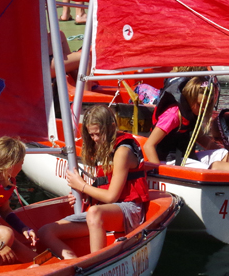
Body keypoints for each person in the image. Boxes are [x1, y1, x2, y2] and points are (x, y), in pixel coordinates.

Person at [39, 105, 149, 259]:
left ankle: (96, 262)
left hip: (129, 210)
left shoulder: (123, 152)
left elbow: (111, 196)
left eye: (98, 134)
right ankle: (73, 262)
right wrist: (85, 194)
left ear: (111, 127)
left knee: (94, 212)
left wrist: (82, 185)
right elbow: (105, 185)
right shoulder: (103, 147)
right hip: (103, 212)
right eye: (91, 135)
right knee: (45, 232)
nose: (95, 139)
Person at [142, 76, 222, 167]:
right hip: (170, 161)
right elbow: (148, 146)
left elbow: (200, 138)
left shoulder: (194, 113)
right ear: (189, 99)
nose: (203, 109)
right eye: (200, 104)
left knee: (224, 154)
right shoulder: (173, 115)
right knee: (211, 168)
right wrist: (159, 171)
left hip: (188, 157)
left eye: (207, 105)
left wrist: (221, 151)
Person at [0, 137, 37, 266]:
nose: (22, 166)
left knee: (34, 259)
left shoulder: (8, 182)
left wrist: (23, 228)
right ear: (10, 166)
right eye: (21, 162)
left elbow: (5, 209)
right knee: (6, 234)